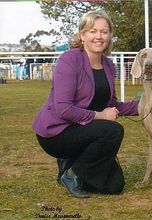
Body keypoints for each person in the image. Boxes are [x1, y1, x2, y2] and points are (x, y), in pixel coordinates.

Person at [32, 10, 138, 198]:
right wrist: (101, 116)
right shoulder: (70, 59)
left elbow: (111, 103)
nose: (99, 36)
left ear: (110, 35)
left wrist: (146, 105)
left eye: (104, 32)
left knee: (115, 186)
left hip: (85, 131)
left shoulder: (108, 65)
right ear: (82, 35)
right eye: (92, 31)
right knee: (113, 130)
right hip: (58, 132)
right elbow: (64, 109)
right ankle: (71, 174)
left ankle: (72, 163)